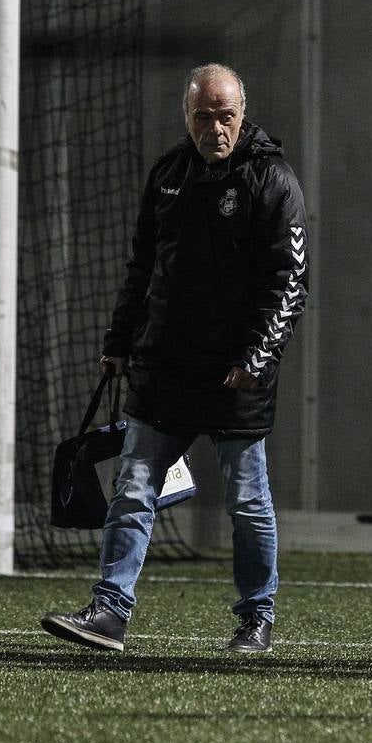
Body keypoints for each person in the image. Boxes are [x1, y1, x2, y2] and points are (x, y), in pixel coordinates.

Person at [41, 63, 308, 654]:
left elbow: (289, 284)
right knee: (133, 488)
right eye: (203, 116)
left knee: (247, 500)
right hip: (164, 366)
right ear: (186, 115)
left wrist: (256, 356)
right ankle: (109, 611)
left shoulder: (273, 180)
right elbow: (143, 267)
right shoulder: (168, 174)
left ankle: (256, 619)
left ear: (243, 111)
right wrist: (118, 342)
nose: (215, 128)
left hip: (238, 372)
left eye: (226, 116)